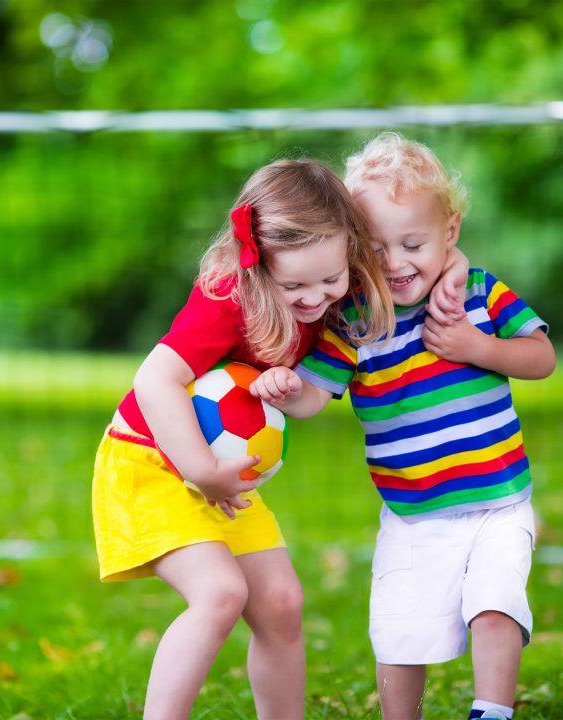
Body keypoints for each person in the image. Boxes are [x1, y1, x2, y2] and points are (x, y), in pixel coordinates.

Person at [92, 157, 422, 720]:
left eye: (330, 279)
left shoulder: (337, 293)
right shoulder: (228, 299)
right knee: (221, 593)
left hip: (219, 471)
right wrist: (201, 470)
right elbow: (154, 379)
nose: (314, 297)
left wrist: (458, 265)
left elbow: (424, 259)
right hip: (153, 460)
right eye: (292, 283)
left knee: (281, 603)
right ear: (257, 262)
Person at [250, 133, 556, 720]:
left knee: (495, 606)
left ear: (451, 233)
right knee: (397, 630)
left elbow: (541, 358)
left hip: (498, 502)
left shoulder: (479, 294)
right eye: (375, 246)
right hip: (412, 513)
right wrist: (285, 390)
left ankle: (492, 710)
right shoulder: (356, 320)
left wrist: (477, 347)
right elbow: (316, 396)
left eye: (412, 243)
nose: (394, 262)